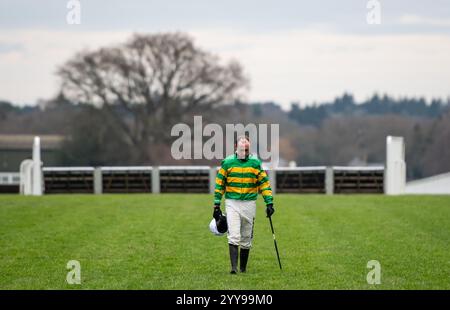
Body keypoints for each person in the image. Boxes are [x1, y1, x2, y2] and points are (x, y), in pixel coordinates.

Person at [213, 135, 274, 274]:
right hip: (232, 202)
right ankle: (234, 268)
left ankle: (243, 269)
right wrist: (216, 205)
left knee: (246, 237)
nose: (244, 152)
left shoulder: (255, 163)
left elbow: (264, 184)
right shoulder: (227, 163)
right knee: (234, 235)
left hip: (249, 203)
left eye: (246, 150)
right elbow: (219, 184)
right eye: (242, 149)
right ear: (236, 147)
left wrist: (269, 203)